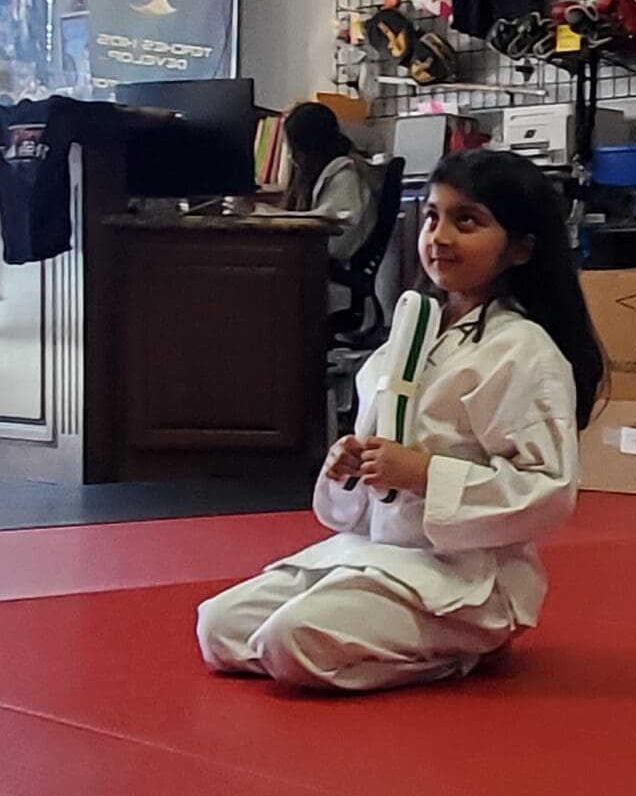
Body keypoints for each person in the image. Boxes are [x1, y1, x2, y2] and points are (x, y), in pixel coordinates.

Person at [196, 151, 606, 692]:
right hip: (379, 554)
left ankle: (461, 648)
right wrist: (350, 465)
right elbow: (375, 458)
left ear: (522, 248)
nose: (440, 236)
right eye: (433, 216)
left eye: (468, 221)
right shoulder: (414, 328)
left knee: (289, 642)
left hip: (463, 576)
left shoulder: (523, 351)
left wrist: (424, 474)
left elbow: (547, 490)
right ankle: (378, 630)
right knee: (219, 628)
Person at [276, 101, 382, 315]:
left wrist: (268, 214)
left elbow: (335, 244)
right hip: (319, 279)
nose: (292, 157)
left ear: (309, 146)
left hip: (331, 285)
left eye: (295, 148)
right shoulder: (320, 175)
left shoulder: (346, 176)